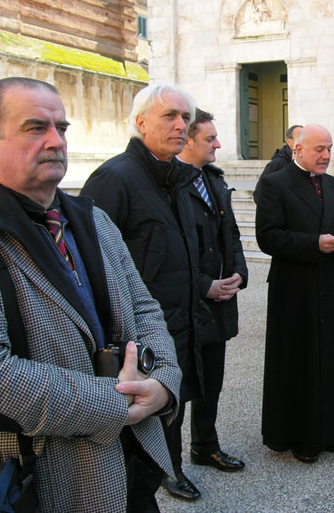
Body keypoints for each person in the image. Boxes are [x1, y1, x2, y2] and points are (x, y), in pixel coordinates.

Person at [0, 77, 181, 512]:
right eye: (36, 128)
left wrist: (165, 380)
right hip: (28, 486)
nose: (56, 140)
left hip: (127, 471)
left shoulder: (94, 221)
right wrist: (117, 402)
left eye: (62, 128)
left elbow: (145, 309)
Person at [81, 84, 230, 502]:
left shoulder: (178, 179)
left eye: (186, 117)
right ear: (141, 121)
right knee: (139, 445)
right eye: (170, 116)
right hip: (137, 335)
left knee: (176, 402)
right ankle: (166, 470)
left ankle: (174, 464)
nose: (181, 125)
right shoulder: (115, 179)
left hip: (182, 322)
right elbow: (91, 262)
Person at [255, 124, 334, 463]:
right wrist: (314, 243)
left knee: (327, 358)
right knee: (298, 361)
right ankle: (299, 435)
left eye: (329, 148)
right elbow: (268, 237)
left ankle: (330, 429)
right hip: (293, 290)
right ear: (297, 149)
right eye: (318, 149)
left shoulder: (330, 183)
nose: (326, 155)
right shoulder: (274, 183)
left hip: (327, 285)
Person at [177, 109, 249, 467]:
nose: (219, 144)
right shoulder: (171, 185)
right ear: (187, 140)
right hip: (185, 306)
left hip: (219, 304)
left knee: (212, 384)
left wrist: (239, 272)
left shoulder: (216, 181)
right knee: (175, 390)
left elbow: (231, 235)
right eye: (210, 138)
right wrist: (204, 286)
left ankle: (205, 447)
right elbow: (168, 253)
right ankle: (169, 467)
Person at [252, 124, 303, 204]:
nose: (303, 142)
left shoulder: (305, 161)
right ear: (289, 141)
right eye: (300, 138)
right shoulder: (278, 163)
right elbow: (259, 193)